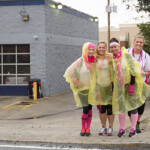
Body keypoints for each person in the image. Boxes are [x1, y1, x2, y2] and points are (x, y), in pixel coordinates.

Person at [110, 38, 150, 137]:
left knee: (134, 107)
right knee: (122, 107)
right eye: (111, 47)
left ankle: (133, 129)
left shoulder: (126, 55)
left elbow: (132, 70)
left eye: (115, 46)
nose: (114, 48)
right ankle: (122, 128)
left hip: (133, 84)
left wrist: (132, 85)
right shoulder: (113, 58)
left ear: (119, 47)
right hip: (121, 85)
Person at [63, 42, 97, 136]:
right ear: (85, 50)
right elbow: (69, 71)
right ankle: (83, 128)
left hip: (91, 89)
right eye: (89, 49)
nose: (91, 51)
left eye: (92, 50)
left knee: (90, 109)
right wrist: (77, 81)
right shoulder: (80, 61)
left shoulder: (94, 61)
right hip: (82, 90)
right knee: (85, 109)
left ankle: (88, 128)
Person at [128, 35, 150, 133]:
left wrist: (142, 73)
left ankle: (137, 121)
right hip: (128, 83)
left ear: (143, 44)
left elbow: (148, 71)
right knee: (130, 105)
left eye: (141, 42)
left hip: (141, 84)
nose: (139, 44)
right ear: (134, 42)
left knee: (141, 104)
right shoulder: (127, 53)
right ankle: (133, 124)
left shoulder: (146, 56)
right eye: (137, 41)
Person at [95, 42, 114, 136]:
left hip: (110, 87)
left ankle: (110, 127)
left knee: (110, 109)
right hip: (99, 88)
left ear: (106, 48)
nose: (101, 49)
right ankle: (103, 127)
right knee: (102, 109)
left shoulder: (110, 57)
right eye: (100, 47)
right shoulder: (95, 58)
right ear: (97, 48)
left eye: (103, 47)